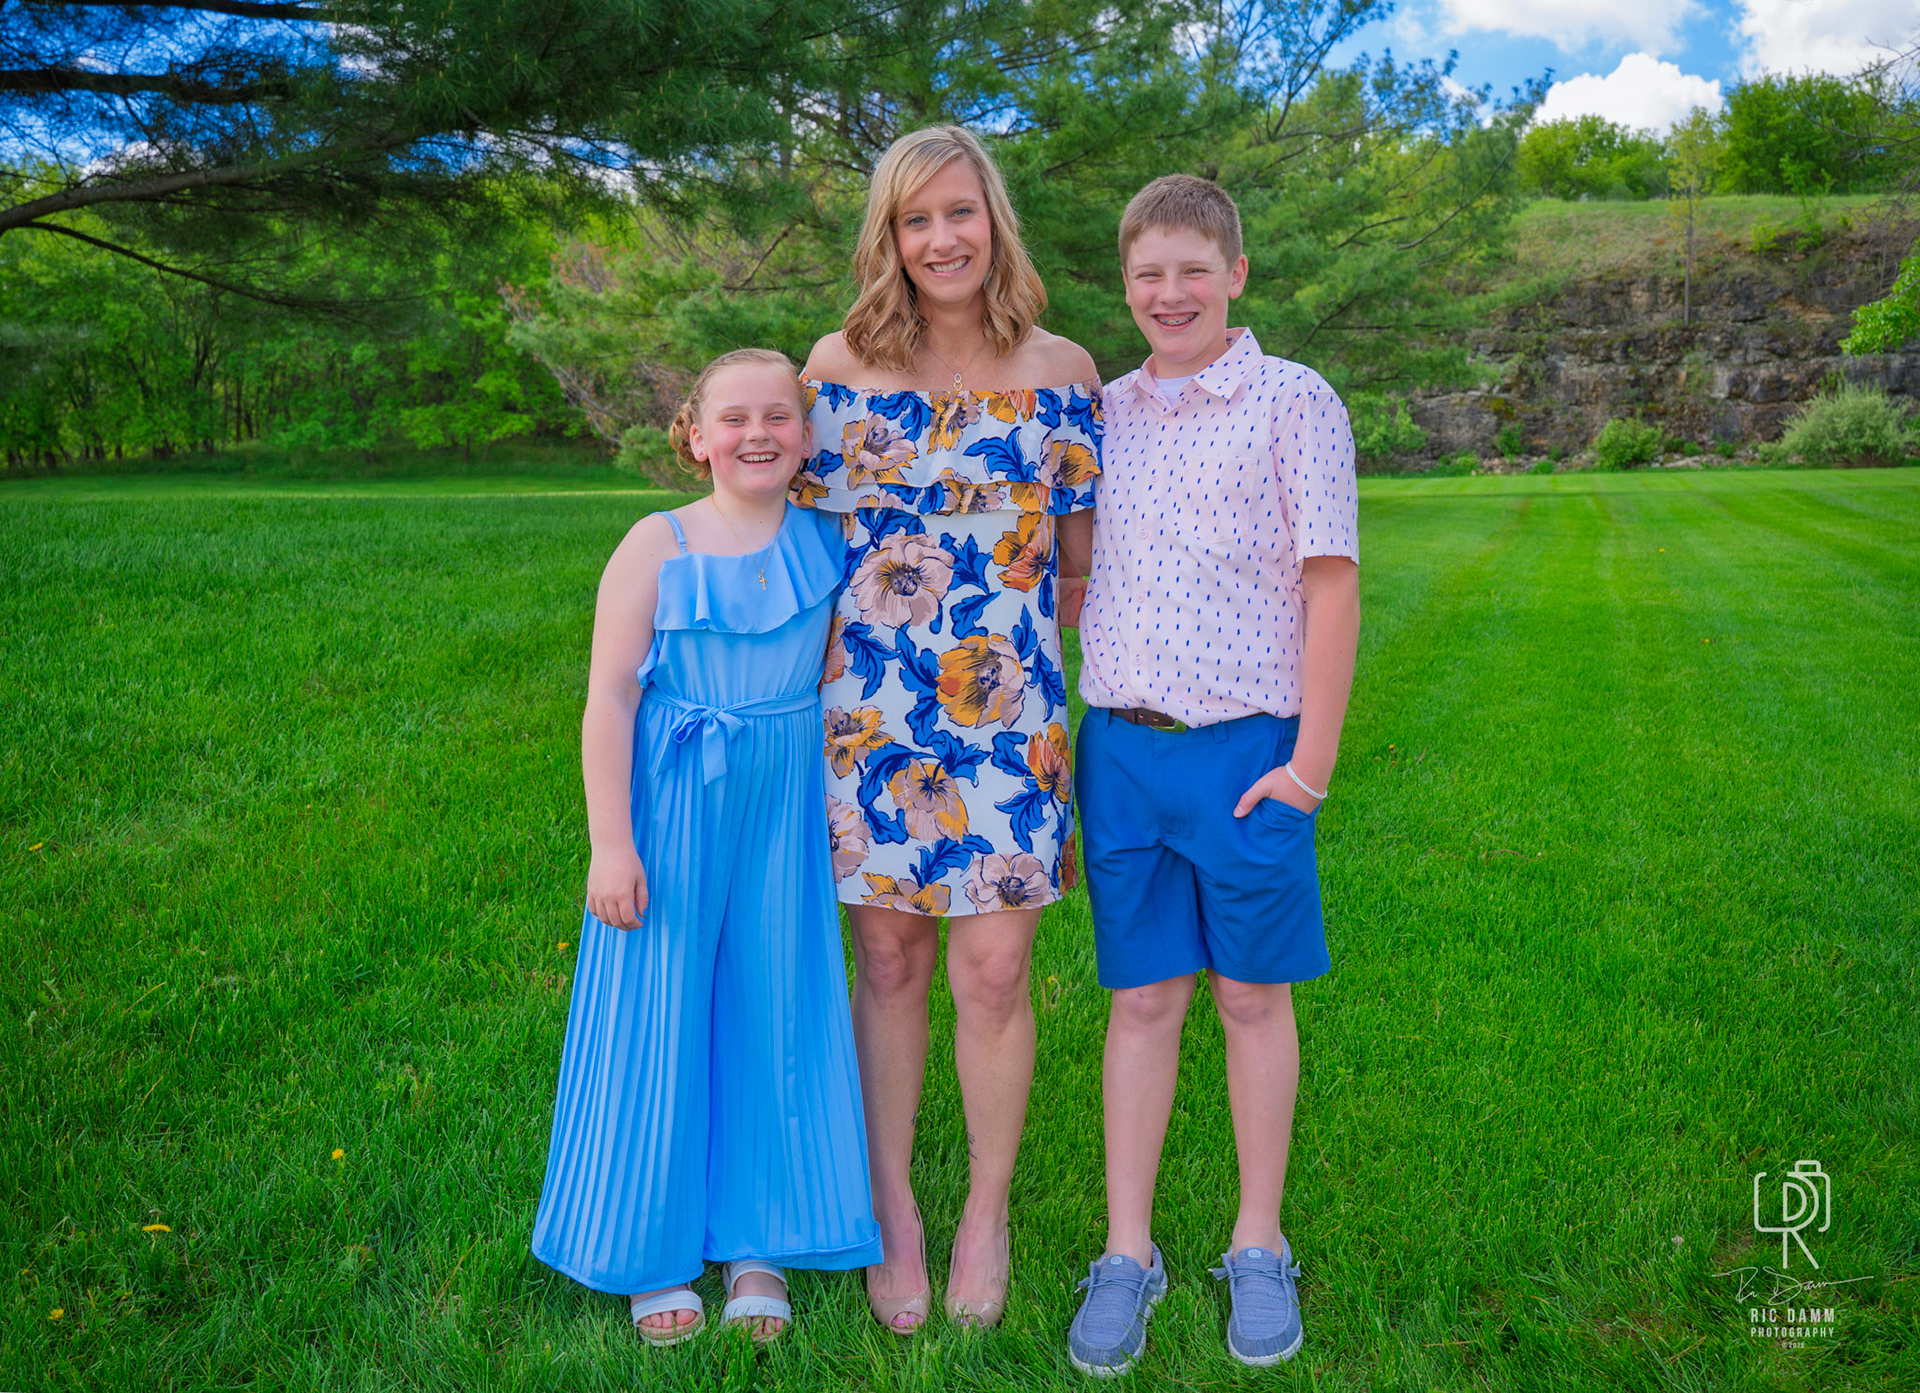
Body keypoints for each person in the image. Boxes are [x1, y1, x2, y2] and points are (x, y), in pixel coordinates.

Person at [797, 124, 1101, 1333]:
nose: (941, 239)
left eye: (959, 212)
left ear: (994, 220)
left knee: (995, 968)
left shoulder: (1064, 370)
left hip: (1011, 715)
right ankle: (892, 1208)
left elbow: (1081, 572)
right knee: (888, 961)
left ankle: (985, 1209)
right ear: (890, 236)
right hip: (871, 713)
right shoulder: (839, 367)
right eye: (915, 219)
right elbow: (794, 544)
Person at [1063, 175, 1360, 1374]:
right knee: (1143, 1001)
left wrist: (1310, 769)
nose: (1170, 293)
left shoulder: (1293, 399)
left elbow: (1331, 583)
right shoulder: (1103, 411)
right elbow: (1072, 569)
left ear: (1235, 273)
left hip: (1250, 752)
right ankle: (1126, 1250)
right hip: (1123, 751)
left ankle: (1257, 1239)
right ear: (1125, 284)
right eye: (1149, 274)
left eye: (1194, 269)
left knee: (1249, 997)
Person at [529, 348, 883, 1345]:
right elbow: (610, 697)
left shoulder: (826, 538)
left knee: (774, 999)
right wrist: (611, 841)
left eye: (778, 415)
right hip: (676, 795)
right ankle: (652, 1246)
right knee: (662, 1003)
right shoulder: (659, 541)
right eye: (733, 417)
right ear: (695, 436)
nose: (757, 432)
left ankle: (760, 1238)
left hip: (780, 803)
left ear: (806, 437)